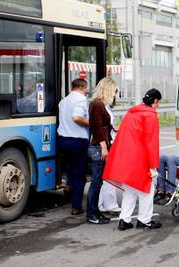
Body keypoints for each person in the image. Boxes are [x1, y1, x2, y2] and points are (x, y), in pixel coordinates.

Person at [103, 88, 162, 230]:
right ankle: (144, 220)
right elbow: (151, 142)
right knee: (147, 191)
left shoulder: (131, 112)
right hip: (140, 159)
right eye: (158, 102)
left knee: (130, 190)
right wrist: (153, 164)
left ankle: (124, 220)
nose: (158, 105)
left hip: (126, 158)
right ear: (155, 101)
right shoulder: (150, 116)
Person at [85, 77, 117, 224]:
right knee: (96, 182)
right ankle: (91, 215)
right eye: (114, 91)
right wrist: (104, 147)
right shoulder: (97, 105)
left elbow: (104, 126)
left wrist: (115, 129)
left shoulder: (99, 105)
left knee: (98, 182)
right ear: (108, 90)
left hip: (100, 146)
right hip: (98, 147)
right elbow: (96, 128)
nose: (115, 95)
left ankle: (96, 212)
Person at [57, 78, 89, 215]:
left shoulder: (63, 101)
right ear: (83, 87)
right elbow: (76, 117)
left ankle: (69, 189)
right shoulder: (81, 100)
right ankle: (76, 206)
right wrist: (89, 123)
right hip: (77, 141)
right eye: (86, 89)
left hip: (63, 140)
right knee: (80, 174)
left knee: (70, 168)